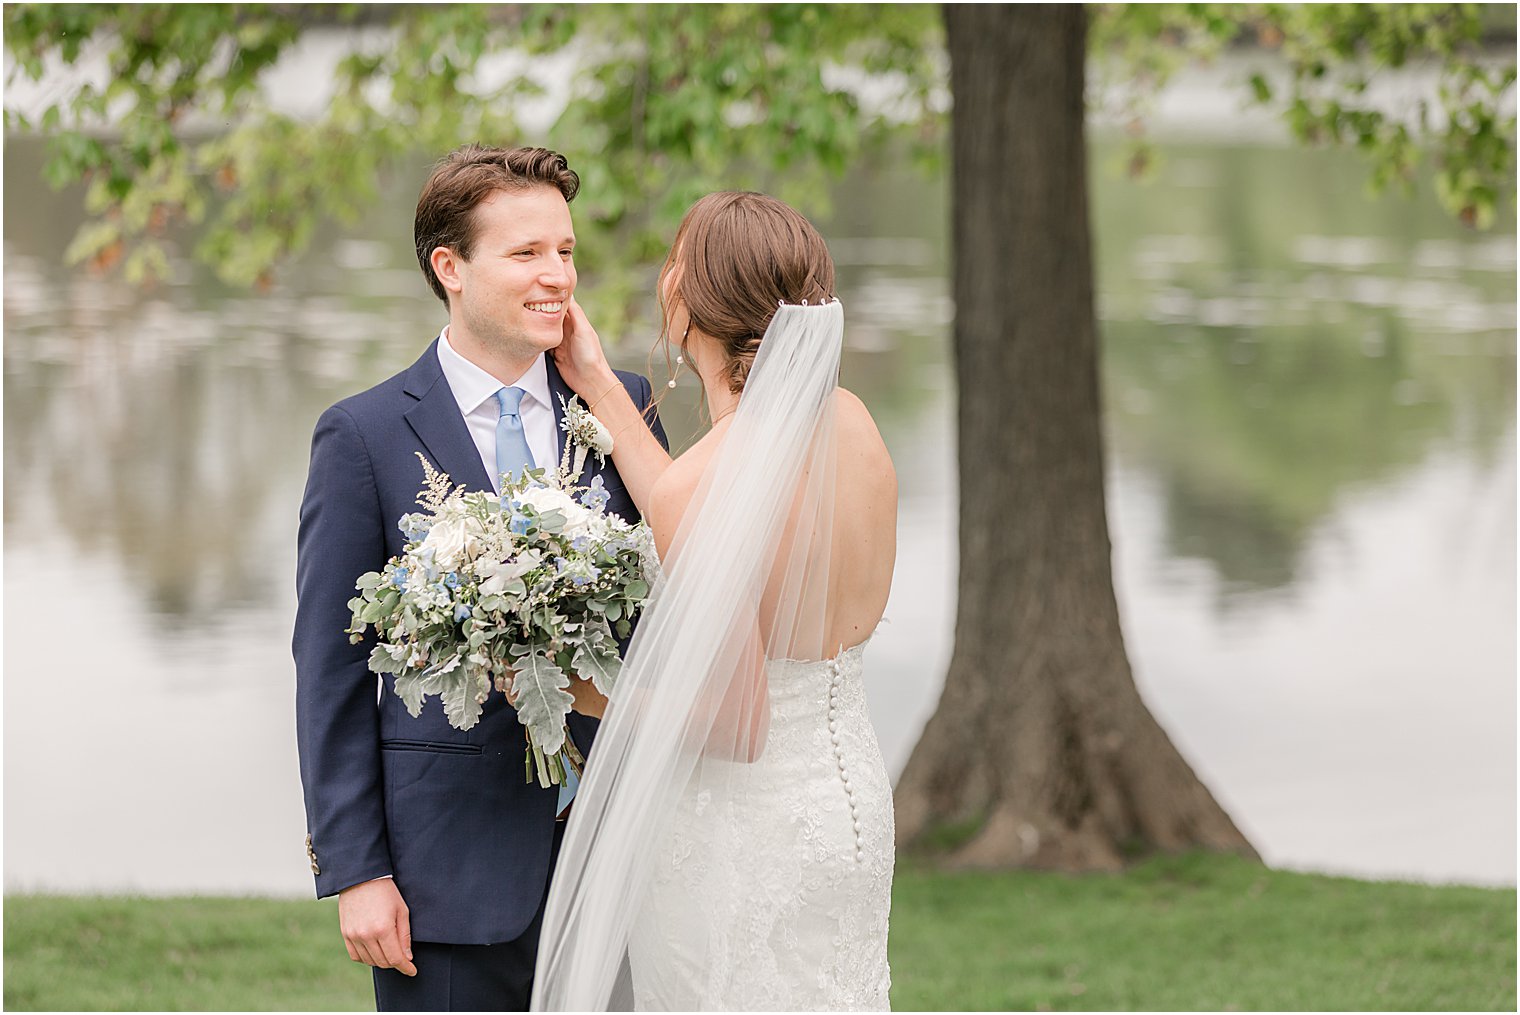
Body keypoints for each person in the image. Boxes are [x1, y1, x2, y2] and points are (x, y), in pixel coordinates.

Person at [293, 143, 667, 1012]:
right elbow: (332, 670)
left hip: (613, 865)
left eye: (567, 251)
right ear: (450, 266)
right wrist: (357, 870)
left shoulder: (621, 404)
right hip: (444, 880)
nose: (558, 277)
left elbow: (670, 612)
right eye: (528, 253)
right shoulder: (364, 435)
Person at [534, 191, 898, 1010]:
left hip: (739, 834)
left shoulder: (708, 482)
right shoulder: (851, 425)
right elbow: (717, 520)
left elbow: (735, 720)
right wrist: (595, 380)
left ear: (685, 299)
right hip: (844, 809)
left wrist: (571, 689)